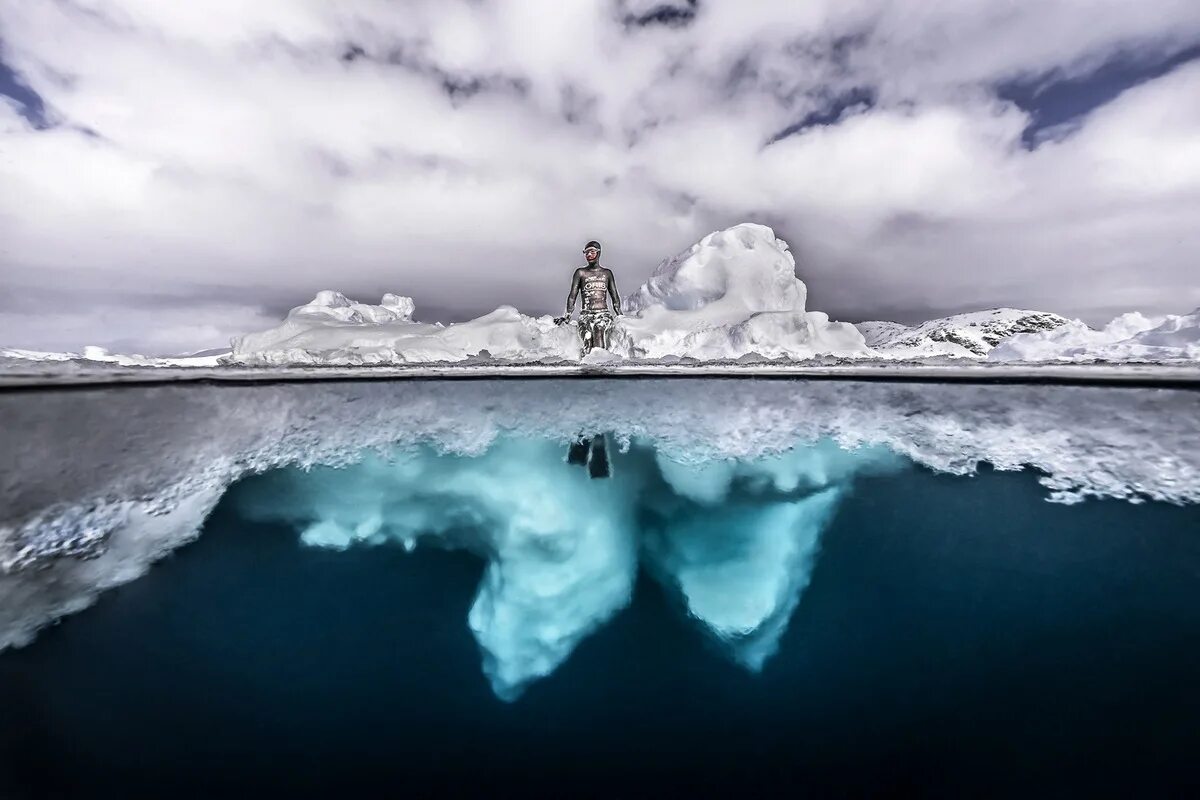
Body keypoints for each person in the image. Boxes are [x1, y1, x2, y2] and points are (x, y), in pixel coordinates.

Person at [555, 240, 621, 354]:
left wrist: (620, 316)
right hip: (586, 315)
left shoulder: (607, 273)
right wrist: (567, 316)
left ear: (599, 253)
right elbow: (572, 296)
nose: (589, 255)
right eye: (586, 252)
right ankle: (588, 367)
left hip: (603, 314)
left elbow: (615, 296)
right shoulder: (580, 273)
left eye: (592, 252)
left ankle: (600, 363)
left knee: (598, 329)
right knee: (587, 337)